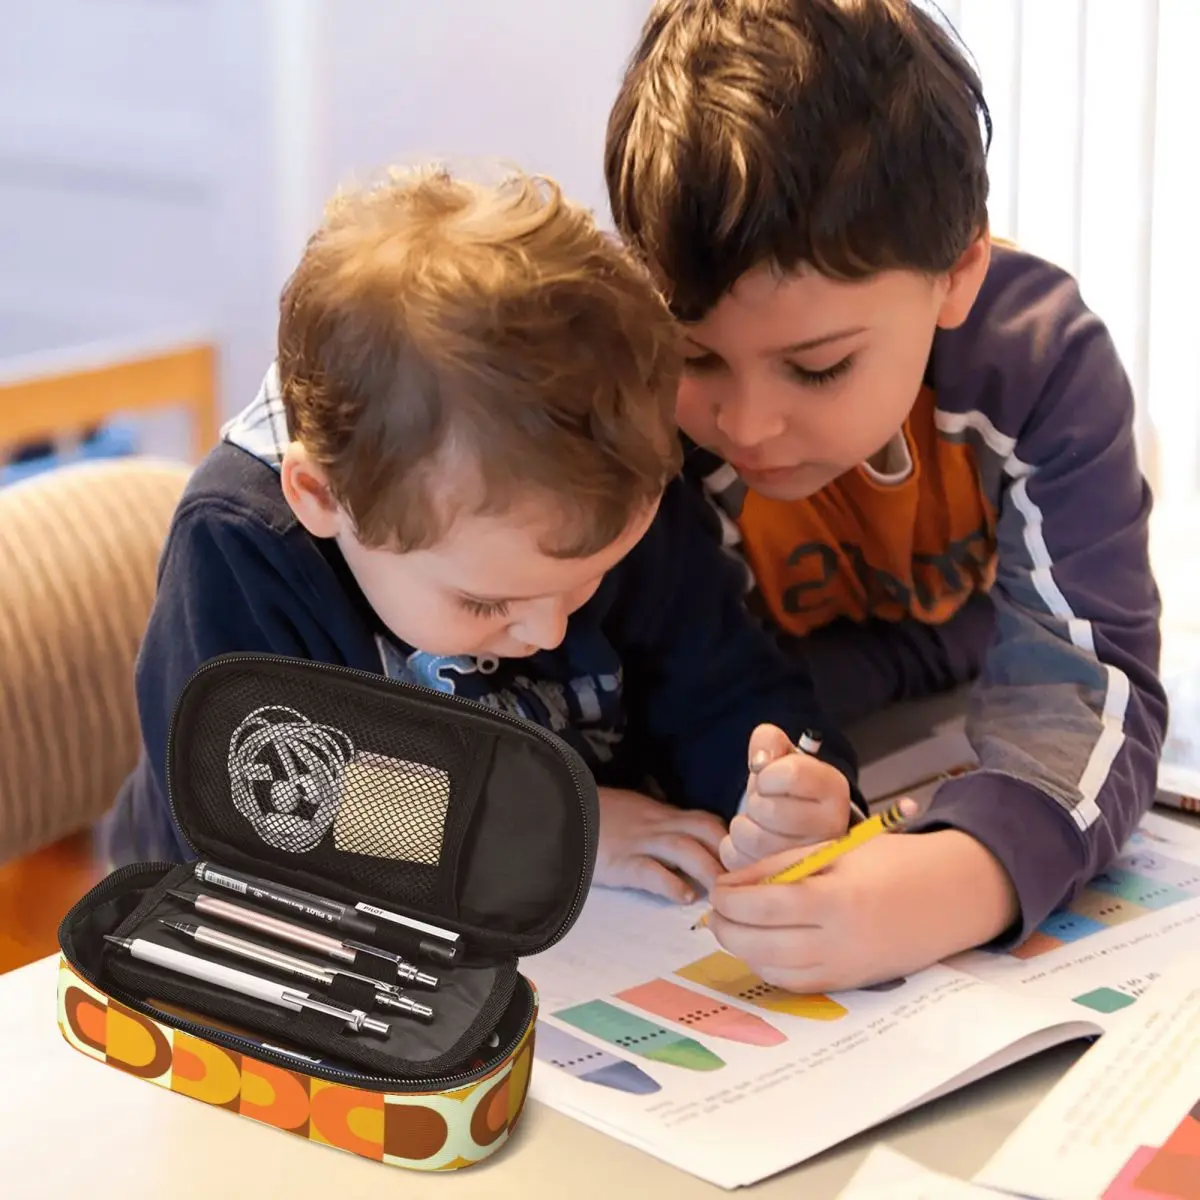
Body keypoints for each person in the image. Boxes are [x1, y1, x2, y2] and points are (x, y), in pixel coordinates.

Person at [99, 164, 864, 906]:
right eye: (484, 603)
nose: (549, 625)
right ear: (323, 498)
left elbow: (720, 684)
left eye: (588, 580)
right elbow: (259, 800)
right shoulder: (243, 547)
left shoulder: (603, 488)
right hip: (219, 941)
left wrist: (782, 793)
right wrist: (561, 831)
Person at [603, 0, 1167, 989]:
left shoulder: (1041, 364)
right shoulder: (634, 398)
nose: (746, 425)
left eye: (816, 368)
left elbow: (1090, 682)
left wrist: (967, 876)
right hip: (839, 720)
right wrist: (781, 786)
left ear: (956, 275)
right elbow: (675, 697)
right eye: (695, 355)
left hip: (967, 695)